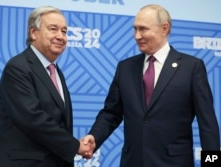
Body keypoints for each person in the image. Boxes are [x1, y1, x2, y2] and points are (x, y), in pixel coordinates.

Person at [82, 4, 220, 167]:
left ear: (164, 28)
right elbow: (111, 113)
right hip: (132, 162)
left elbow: (208, 124)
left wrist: (212, 163)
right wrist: (94, 137)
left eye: (143, 29)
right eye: (135, 29)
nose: (137, 36)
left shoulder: (192, 67)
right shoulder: (125, 68)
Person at [0, 6, 93, 167]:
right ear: (33, 33)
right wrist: (75, 146)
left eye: (64, 31)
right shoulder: (18, 67)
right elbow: (33, 118)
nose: (61, 36)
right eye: (53, 29)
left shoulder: (55, 71)